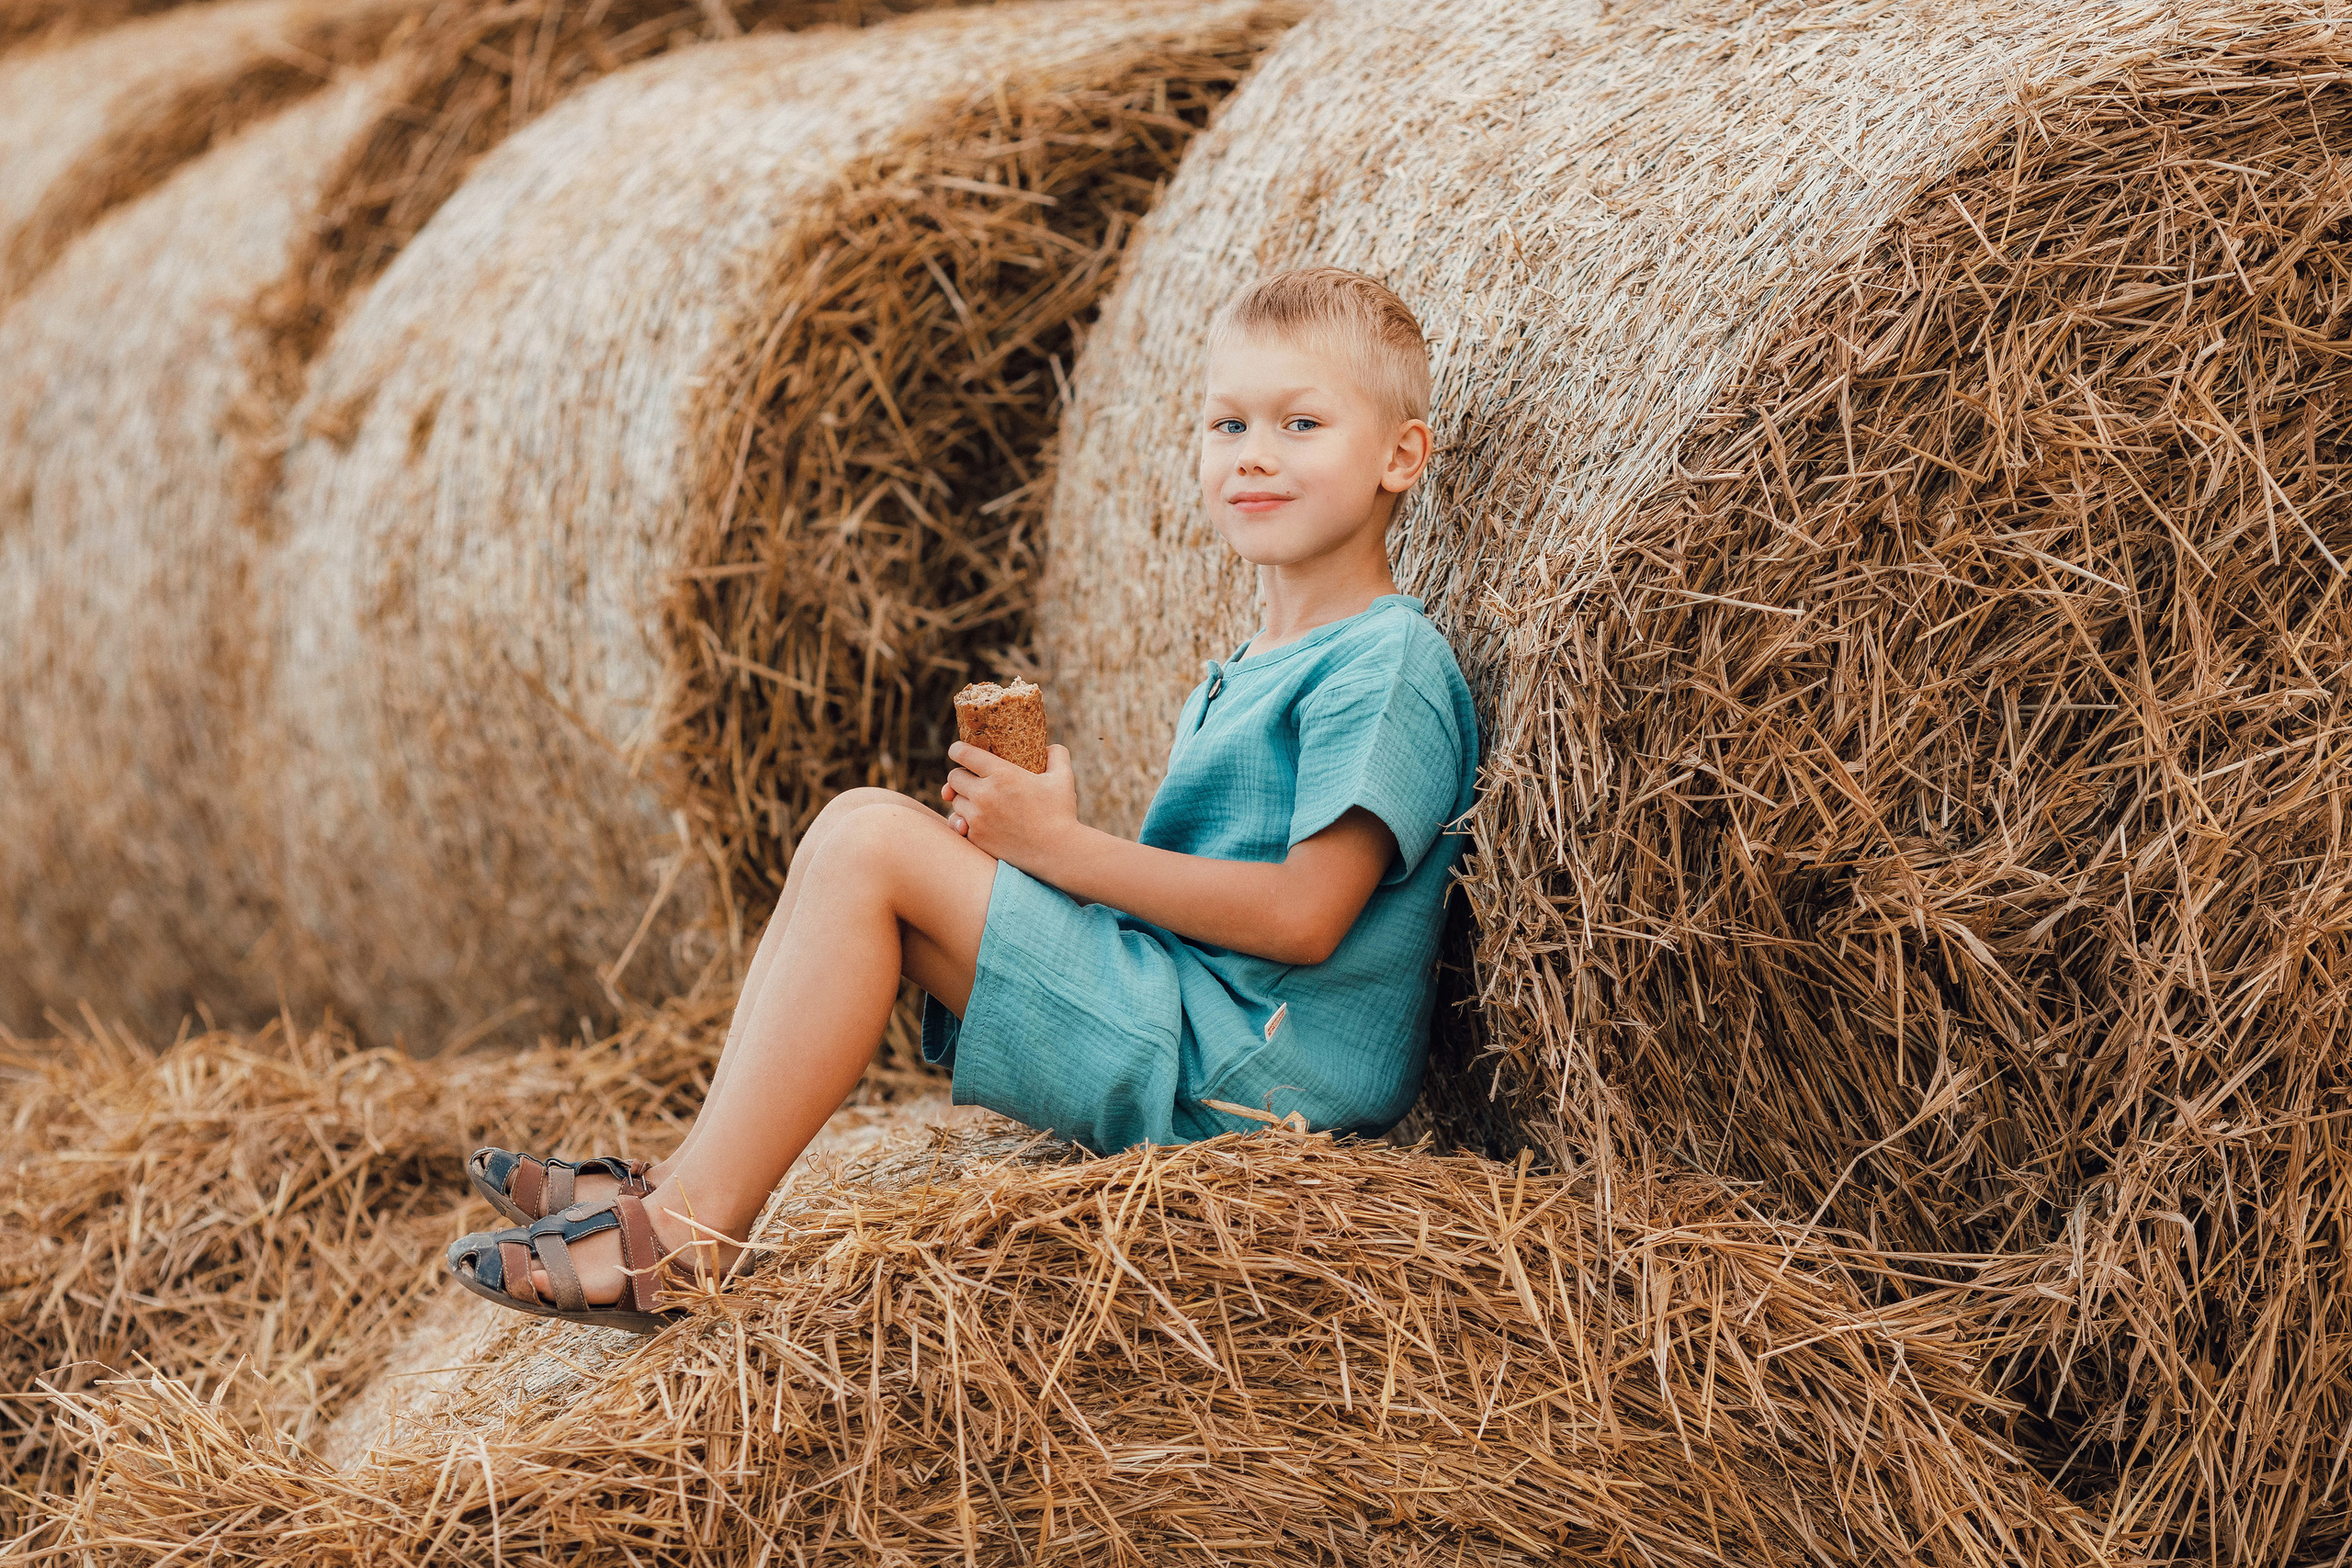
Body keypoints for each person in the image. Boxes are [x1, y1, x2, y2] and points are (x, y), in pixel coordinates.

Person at [448, 267, 1481, 1331]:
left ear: (1400, 456)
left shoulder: (1382, 660)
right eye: (1228, 423)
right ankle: (678, 1194)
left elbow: (1302, 918)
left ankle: (684, 1240)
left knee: (873, 851)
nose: (1254, 453)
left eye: (1301, 423)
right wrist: (1039, 852)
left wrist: (1065, 851)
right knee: (856, 825)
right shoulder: (1254, 659)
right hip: (1196, 1023)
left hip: (1265, 1085)